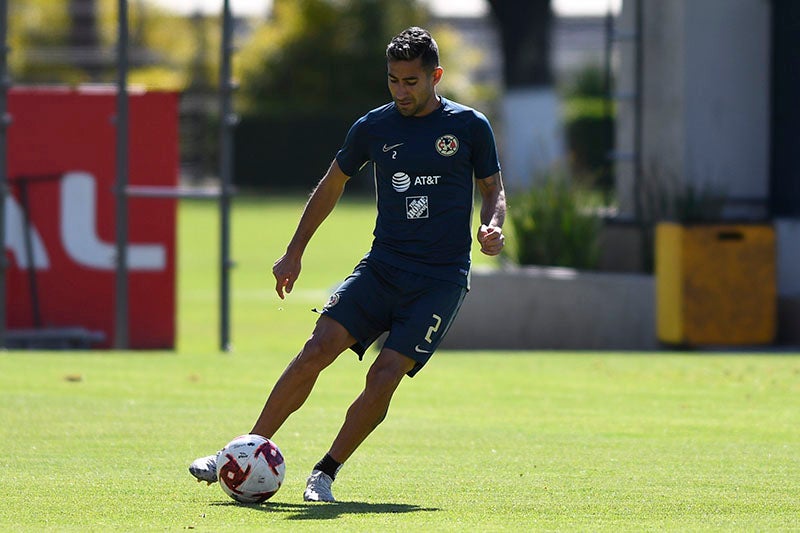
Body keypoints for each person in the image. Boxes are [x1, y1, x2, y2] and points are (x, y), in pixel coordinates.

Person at [189, 26, 506, 502]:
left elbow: (493, 189)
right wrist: (294, 250)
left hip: (439, 280)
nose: (401, 91)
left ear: (435, 76)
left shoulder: (469, 127)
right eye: (394, 81)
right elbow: (331, 186)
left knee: (383, 376)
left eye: (412, 81)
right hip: (382, 267)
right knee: (316, 350)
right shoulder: (373, 127)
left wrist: (493, 225)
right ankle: (242, 451)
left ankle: (325, 472)